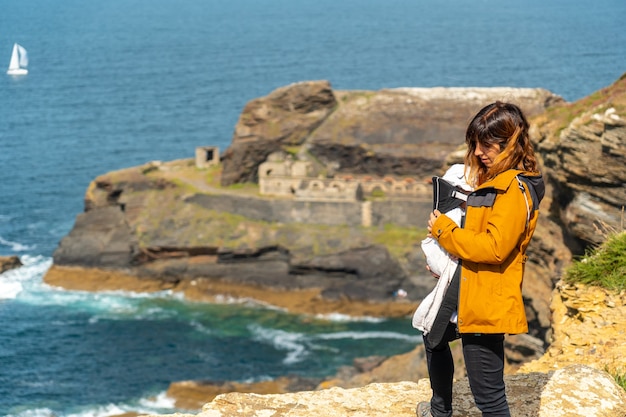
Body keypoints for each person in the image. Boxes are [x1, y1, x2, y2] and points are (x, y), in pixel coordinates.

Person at [416, 101, 545, 417]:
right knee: (433, 335)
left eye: (486, 144)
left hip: (486, 293)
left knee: (489, 398)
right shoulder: (493, 180)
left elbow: (493, 248)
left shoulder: (513, 189)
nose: (477, 152)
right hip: (467, 281)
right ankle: (439, 410)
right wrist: (447, 259)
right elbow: (475, 234)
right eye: (474, 143)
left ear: (510, 144)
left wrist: (444, 230)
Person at [412, 163, 472, 335]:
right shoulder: (453, 214)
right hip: (453, 275)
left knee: (433, 338)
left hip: (457, 280)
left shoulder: (452, 215)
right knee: (434, 338)